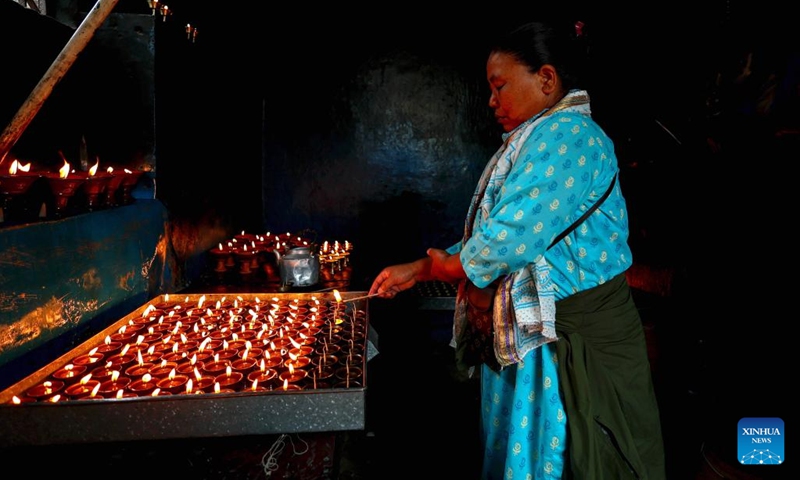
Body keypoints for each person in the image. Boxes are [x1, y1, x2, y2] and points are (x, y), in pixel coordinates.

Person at [368, 20, 666, 479]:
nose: (491, 101)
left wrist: (447, 268)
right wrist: (420, 268)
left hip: (574, 339)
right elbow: (501, 231)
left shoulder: (570, 136)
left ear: (546, 79)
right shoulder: (537, 137)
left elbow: (507, 239)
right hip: (535, 333)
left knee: (581, 454)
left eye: (500, 86)